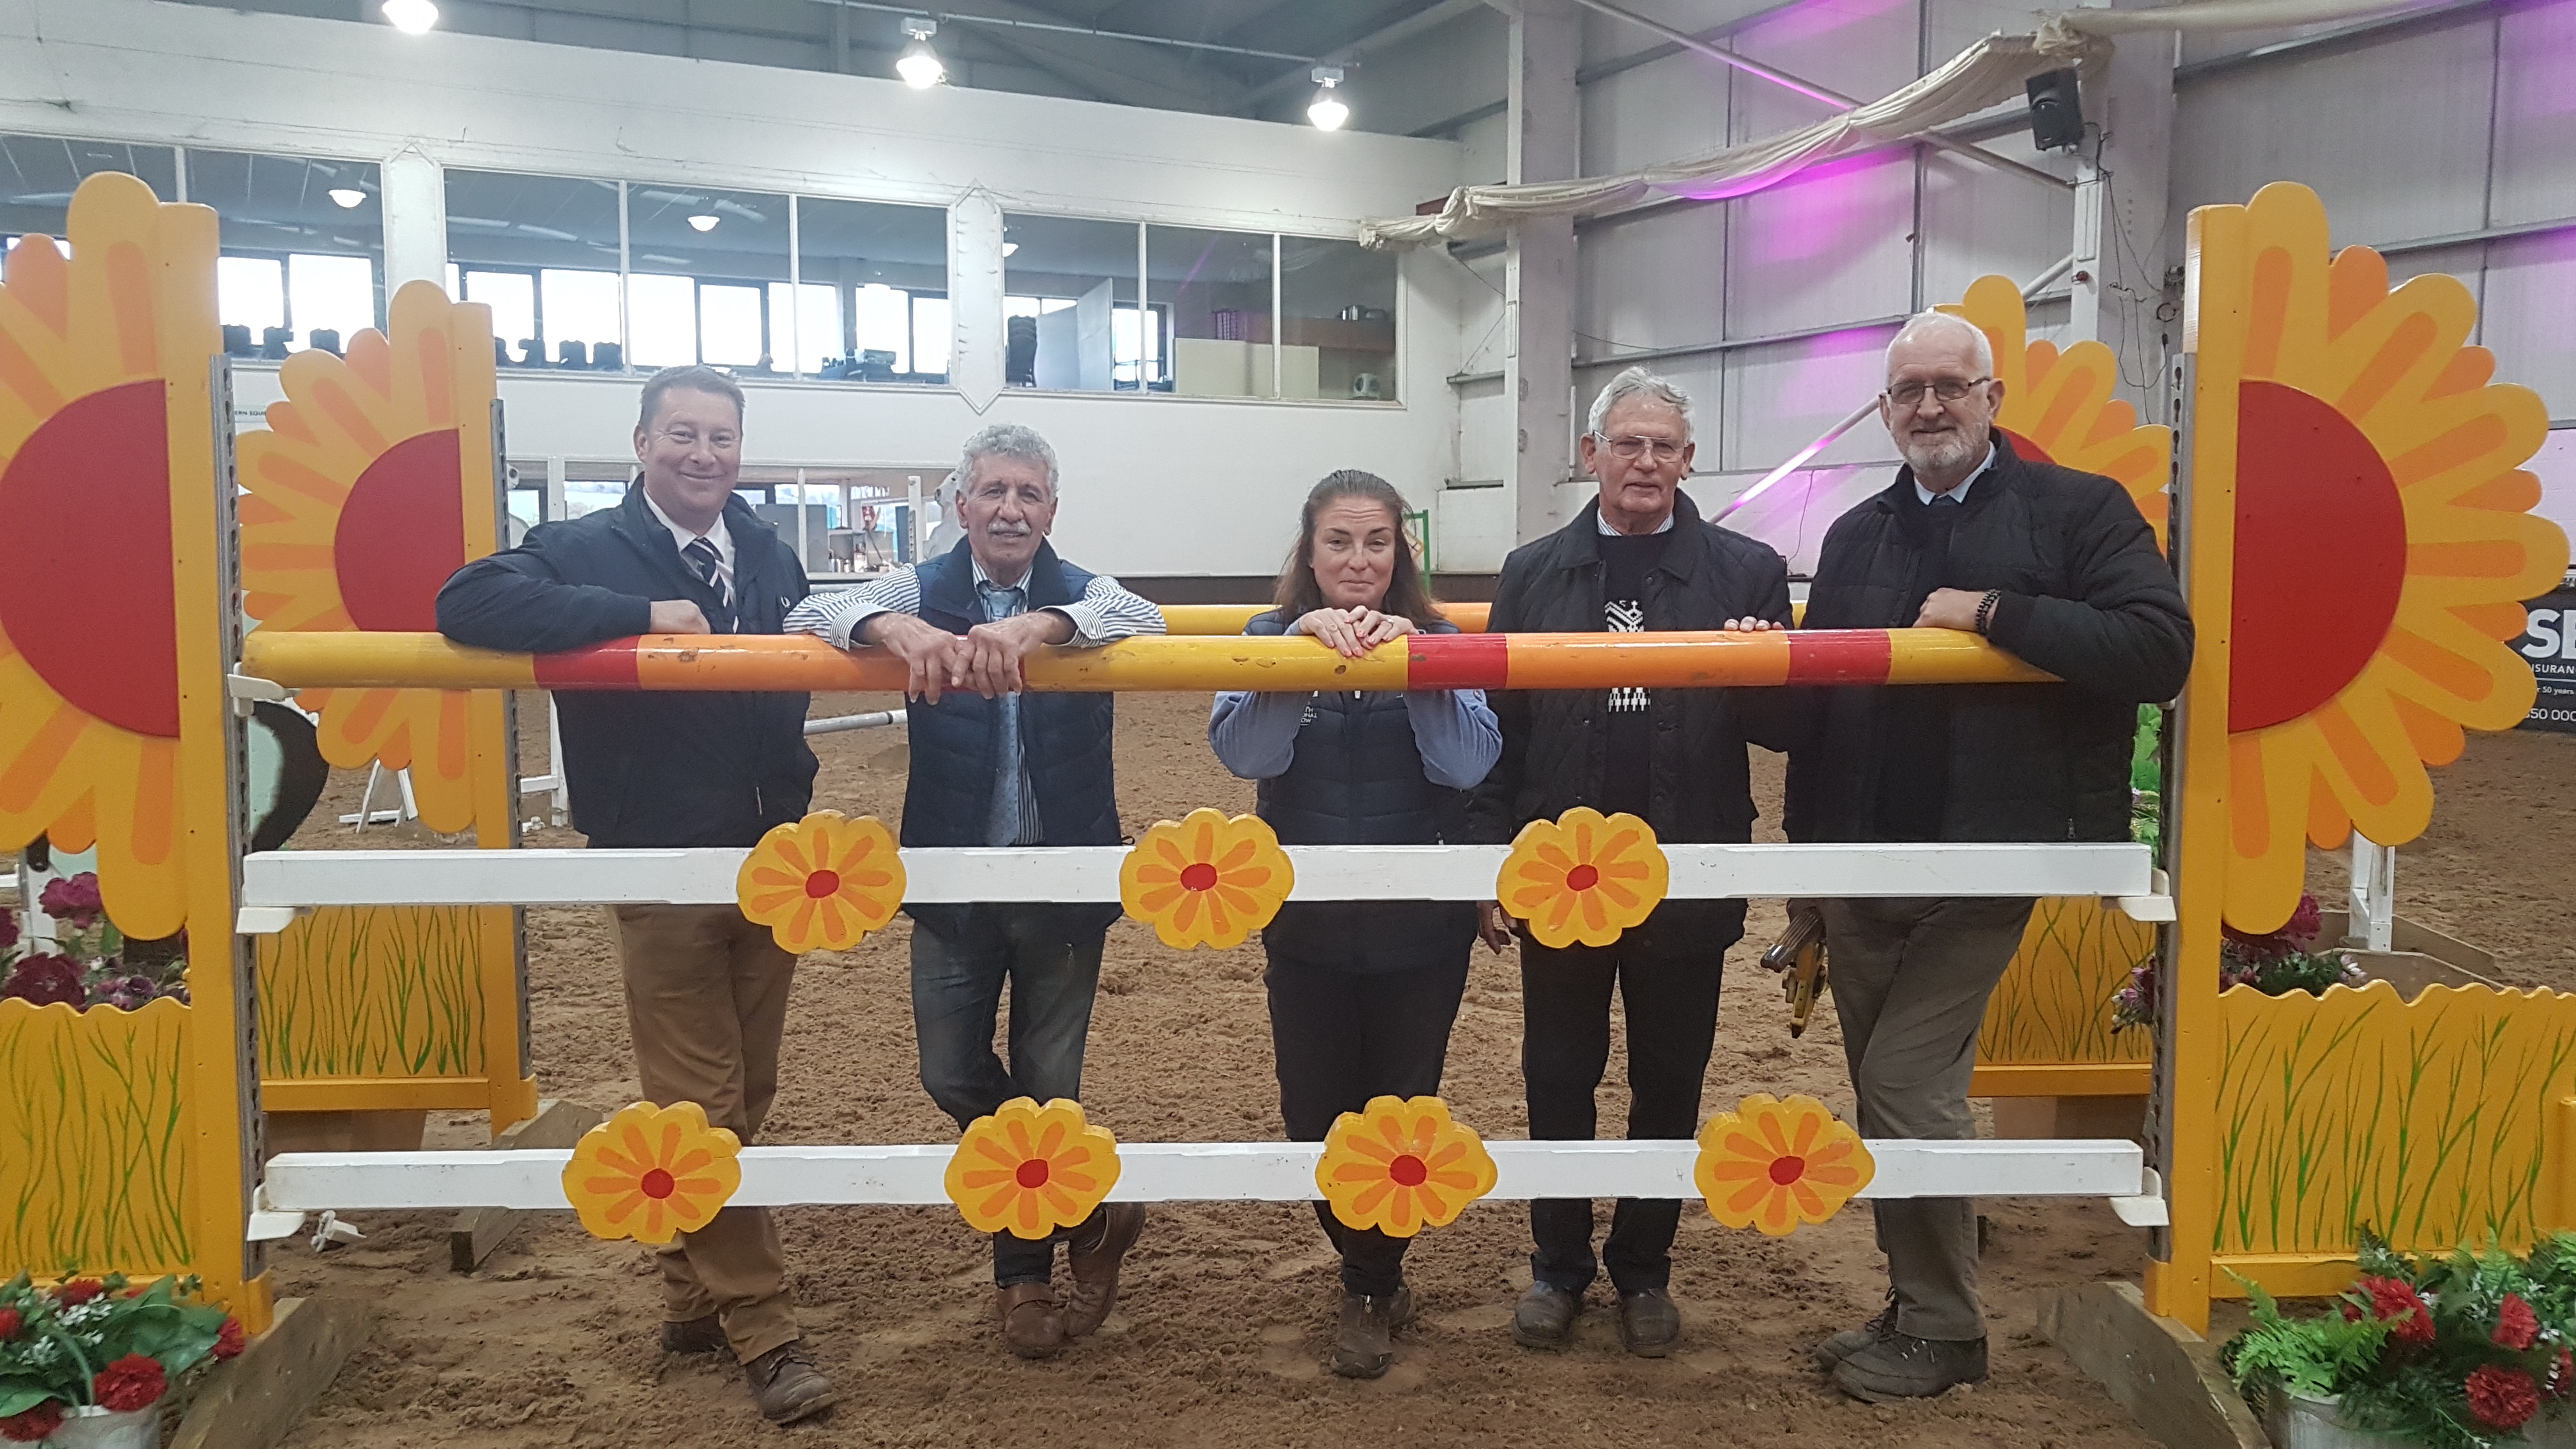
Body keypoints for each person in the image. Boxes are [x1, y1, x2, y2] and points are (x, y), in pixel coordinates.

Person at [1791, 310, 2192, 1402]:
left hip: (1996, 861)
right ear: (1883, 411)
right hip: (1865, 868)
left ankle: (1947, 1328)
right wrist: (1809, 876)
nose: (1930, 406)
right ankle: (1916, 1303)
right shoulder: (1855, 534)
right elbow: (1822, 714)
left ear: (1992, 397)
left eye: (1950, 387)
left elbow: (2159, 649)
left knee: (1906, 1082)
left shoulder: (2081, 511)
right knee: (1889, 1097)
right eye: (1909, 390)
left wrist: (1998, 612)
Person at [434, 365, 835, 1427]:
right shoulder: (579, 547)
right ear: (643, 442)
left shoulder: (767, 550)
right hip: (658, 866)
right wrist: (634, 613)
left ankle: (687, 1291)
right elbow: (464, 601)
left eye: (722, 437)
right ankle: (767, 1328)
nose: (705, 455)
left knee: (742, 1097)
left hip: (773, 858)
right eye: (684, 435)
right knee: (707, 1109)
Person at [782, 422, 1165, 1360]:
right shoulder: (921, 588)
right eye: (993, 491)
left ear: (1051, 511)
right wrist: (895, 627)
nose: (1010, 509)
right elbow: (806, 614)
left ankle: (1023, 1282)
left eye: (1029, 494)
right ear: (961, 504)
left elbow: (1146, 617)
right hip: (952, 882)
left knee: (1048, 1087)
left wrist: (1039, 624)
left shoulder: (1082, 592)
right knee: (950, 1072)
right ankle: (1092, 1205)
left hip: (1064, 884)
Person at [1468, 367, 1794, 1358]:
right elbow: (1498, 727)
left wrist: (1765, 657)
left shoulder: (1747, 568)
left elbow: (1784, 728)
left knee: (1671, 1079)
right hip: (1557, 875)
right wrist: (1494, 859)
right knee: (1558, 1074)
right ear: (1591, 455)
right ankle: (1558, 1268)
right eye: (1628, 443)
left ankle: (1645, 1269)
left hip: (1685, 875)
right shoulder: (1531, 571)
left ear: (1689, 462)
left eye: (1665, 447)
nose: (1645, 461)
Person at [1207, 471, 1501, 1380]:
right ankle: (1364, 1259)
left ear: (1399, 553)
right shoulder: (1264, 637)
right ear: (1310, 550)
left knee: (1403, 1118)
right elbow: (1244, 753)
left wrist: (1418, 666)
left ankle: (1371, 1284)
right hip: (1306, 927)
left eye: (1377, 542)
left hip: (1422, 931)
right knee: (1314, 1118)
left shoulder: (1445, 639)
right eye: (1339, 541)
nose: (1359, 561)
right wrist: (1297, 656)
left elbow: (1465, 765)